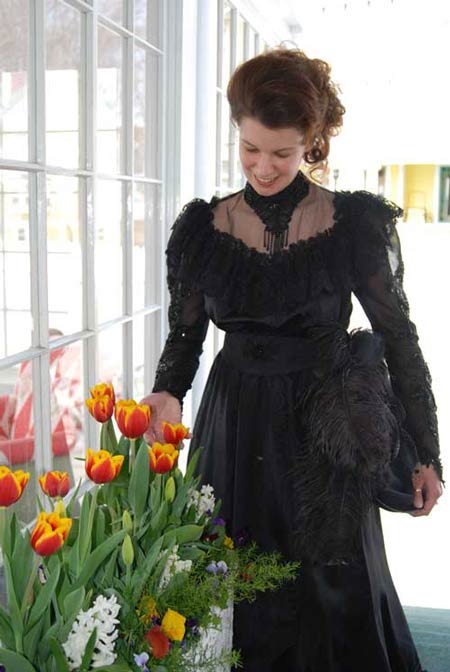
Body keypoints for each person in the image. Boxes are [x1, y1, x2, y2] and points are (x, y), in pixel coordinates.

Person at [142, 48, 443, 672]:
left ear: (313, 140)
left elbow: (401, 339)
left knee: (334, 588)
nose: (263, 167)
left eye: (282, 152)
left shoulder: (352, 222)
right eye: (251, 149)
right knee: (232, 577)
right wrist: (167, 390)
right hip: (235, 420)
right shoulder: (203, 228)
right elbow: (185, 338)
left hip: (326, 430)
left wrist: (428, 450)